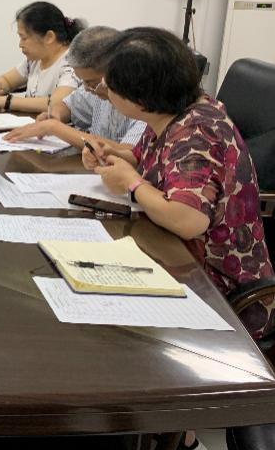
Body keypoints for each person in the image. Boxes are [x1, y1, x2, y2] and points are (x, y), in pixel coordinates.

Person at [85, 27, 274, 328]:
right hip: (173, 256)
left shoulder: (198, 131)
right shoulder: (174, 111)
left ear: (140, 97)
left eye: (110, 83)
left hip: (217, 289)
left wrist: (131, 183)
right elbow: (151, 159)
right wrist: (115, 156)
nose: (104, 87)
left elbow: (187, 220)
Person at [2, 26, 146, 151]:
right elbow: (69, 105)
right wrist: (56, 115)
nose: (86, 89)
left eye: (90, 82)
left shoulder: (144, 102)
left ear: (115, 70)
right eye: (83, 82)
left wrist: (54, 127)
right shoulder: (93, 88)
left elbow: (131, 153)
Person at [0, 1, 84, 115]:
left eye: (24, 38)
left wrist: (4, 101)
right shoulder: (35, 60)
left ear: (49, 37)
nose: (20, 44)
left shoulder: (71, 64)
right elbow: (7, 80)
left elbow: (57, 103)